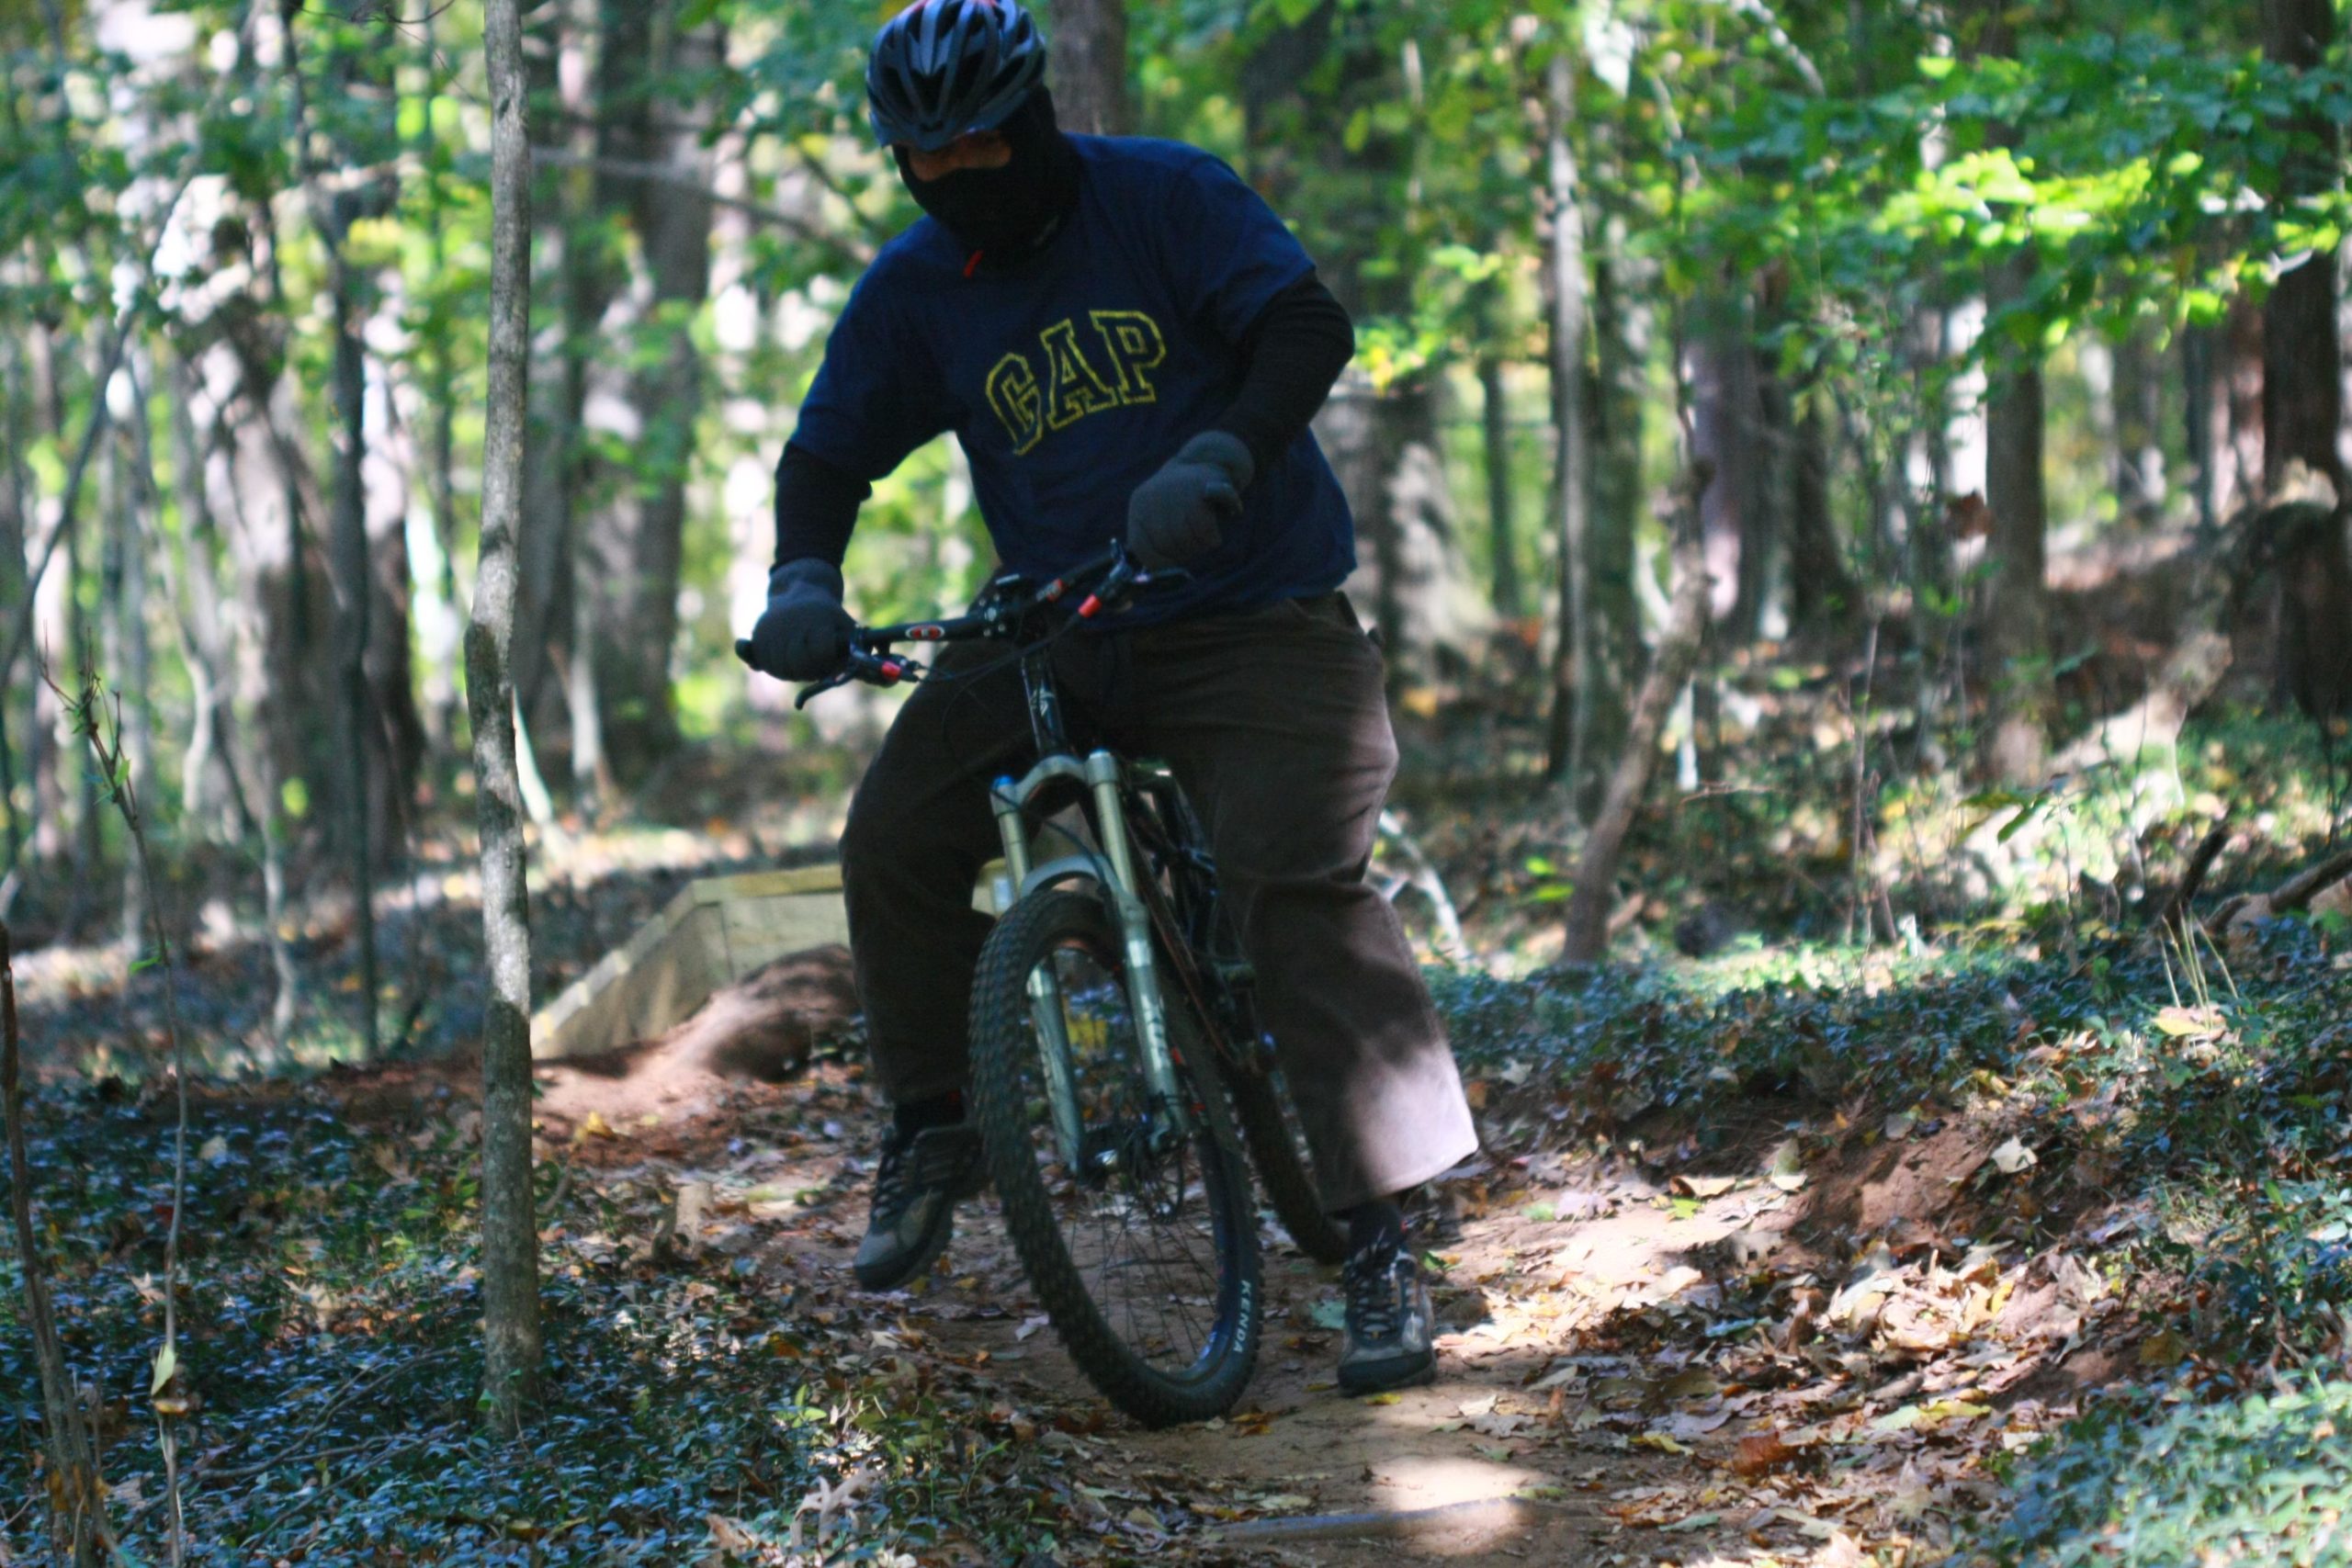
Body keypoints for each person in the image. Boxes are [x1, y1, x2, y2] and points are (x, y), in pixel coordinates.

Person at [741, 0, 1477, 1397]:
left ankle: (1380, 1241)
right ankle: (937, 1125)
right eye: (926, 162)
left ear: (1031, 122)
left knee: (1290, 880)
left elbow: (1303, 324)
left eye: (979, 152)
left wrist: (1222, 454)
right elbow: (826, 453)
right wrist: (801, 580)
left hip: (1249, 611)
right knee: (893, 833)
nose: (958, 181)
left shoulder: (1163, 197)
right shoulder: (915, 289)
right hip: (1059, 623)